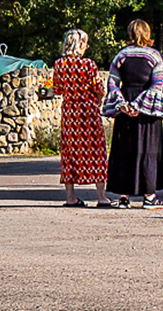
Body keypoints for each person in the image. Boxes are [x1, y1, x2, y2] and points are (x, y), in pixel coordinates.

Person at [103, 20, 163, 209]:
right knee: (148, 148)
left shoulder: (121, 55)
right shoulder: (155, 56)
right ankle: (149, 197)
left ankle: (123, 197)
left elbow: (112, 83)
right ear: (147, 33)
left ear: (130, 34)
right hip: (147, 109)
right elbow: (157, 85)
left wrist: (123, 104)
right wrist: (139, 106)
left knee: (125, 149)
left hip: (125, 104)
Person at [54, 29, 108, 207]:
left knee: (69, 153)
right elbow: (99, 88)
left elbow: (57, 89)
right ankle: (101, 196)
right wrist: (98, 101)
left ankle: (71, 196)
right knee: (96, 152)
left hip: (70, 114)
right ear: (81, 45)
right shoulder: (89, 65)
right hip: (89, 113)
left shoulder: (59, 65)